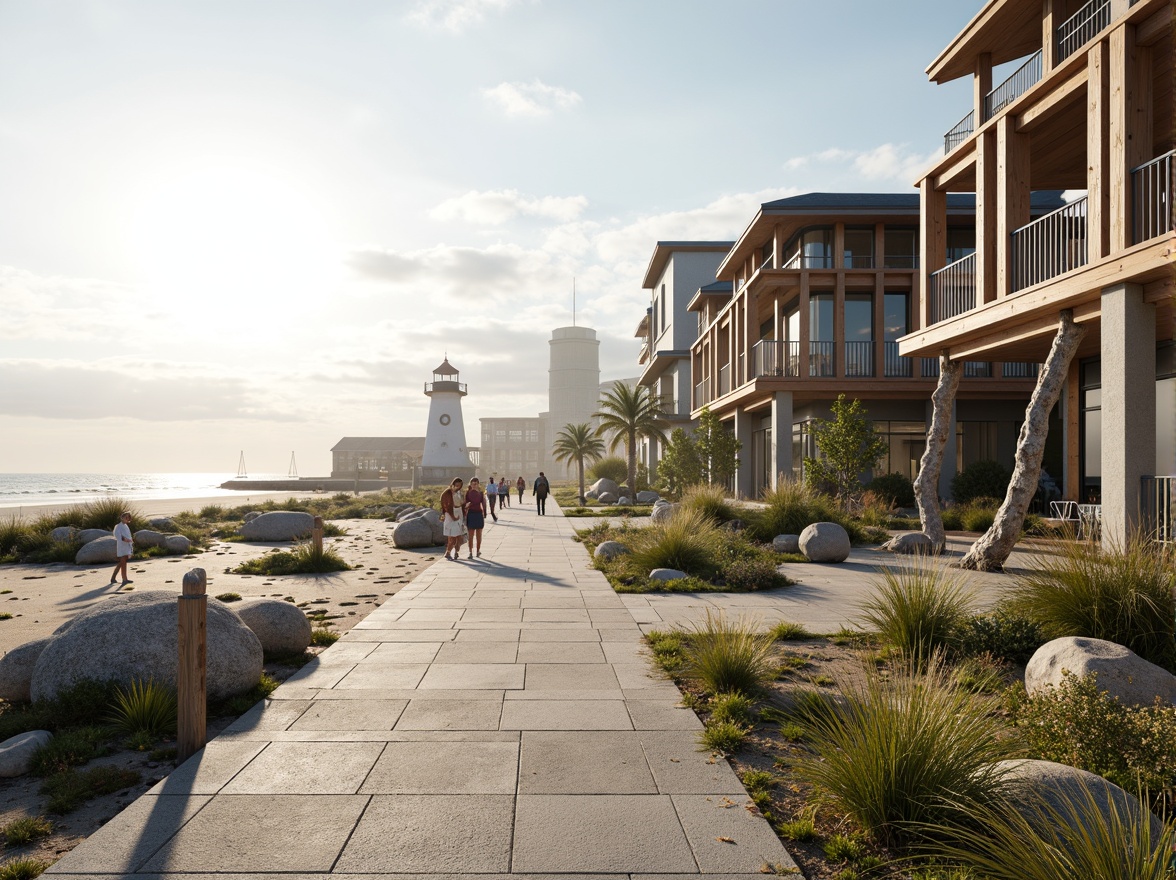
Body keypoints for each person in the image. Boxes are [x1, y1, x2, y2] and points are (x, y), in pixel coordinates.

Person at [440, 478, 465, 561]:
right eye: (456, 485)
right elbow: (445, 504)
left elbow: (462, 503)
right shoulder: (447, 492)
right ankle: (448, 552)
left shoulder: (459, 492)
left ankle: (456, 552)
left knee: (459, 535)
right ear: (453, 484)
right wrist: (452, 516)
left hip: (459, 512)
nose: (458, 487)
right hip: (451, 513)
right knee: (452, 536)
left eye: (459, 485)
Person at [464, 477, 487, 558]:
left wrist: (485, 513)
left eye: (476, 484)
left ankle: (478, 551)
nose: (474, 485)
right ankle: (470, 551)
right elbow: (465, 504)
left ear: (478, 484)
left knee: (479, 534)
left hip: (478, 514)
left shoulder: (481, 493)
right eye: (473, 484)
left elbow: (483, 504)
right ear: (470, 484)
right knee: (470, 535)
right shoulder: (467, 493)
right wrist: (466, 506)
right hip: (471, 514)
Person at [110, 511, 134, 586]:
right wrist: (126, 540)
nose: (127, 519)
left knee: (121, 563)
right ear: (122, 517)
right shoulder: (118, 526)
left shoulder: (126, 526)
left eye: (128, 517)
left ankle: (113, 578)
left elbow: (128, 535)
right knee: (123, 563)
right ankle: (124, 579)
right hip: (122, 546)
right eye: (125, 517)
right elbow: (117, 535)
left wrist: (130, 541)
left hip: (127, 546)